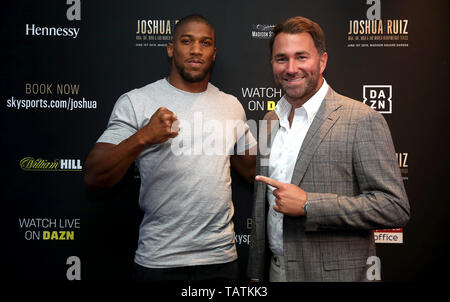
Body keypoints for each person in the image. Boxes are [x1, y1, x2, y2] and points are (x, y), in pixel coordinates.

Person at [84, 14, 256, 281]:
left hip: (220, 259)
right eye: (187, 41)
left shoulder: (231, 105)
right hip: (159, 260)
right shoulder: (137, 101)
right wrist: (144, 136)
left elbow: (252, 170)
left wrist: (282, 124)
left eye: (205, 43)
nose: (196, 49)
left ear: (213, 52)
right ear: (171, 48)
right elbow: (94, 175)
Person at [247, 16, 410, 282]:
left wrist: (310, 204)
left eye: (301, 57)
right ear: (272, 64)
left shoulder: (361, 119)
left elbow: (394, 207)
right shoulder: (269, 121)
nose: (291, 68)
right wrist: (256, 272)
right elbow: (261, 206)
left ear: (322, 61)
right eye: (281, 59)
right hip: (275, 271)